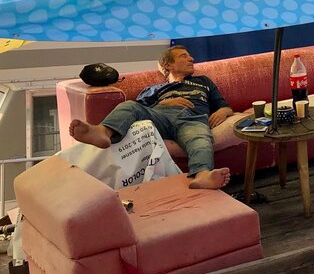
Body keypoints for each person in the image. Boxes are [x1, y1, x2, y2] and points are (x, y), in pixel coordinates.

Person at [69, 46, 233, 190]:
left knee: (201, 139)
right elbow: (140, 110)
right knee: (129, 106)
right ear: (168, 65)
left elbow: (223, 105)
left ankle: (203, 175)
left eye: (190, 56)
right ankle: (103, 132)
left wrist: (223, 111)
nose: (191, 58)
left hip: (192, 118)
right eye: (183, 56)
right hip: (161, 116)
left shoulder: (203, 82)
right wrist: (167, 103)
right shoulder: (154, 89)